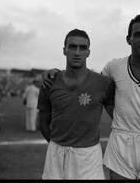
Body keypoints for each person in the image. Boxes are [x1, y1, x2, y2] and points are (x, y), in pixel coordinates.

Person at [40, 13, 140, 180]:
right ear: (129, 39)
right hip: (120, 141)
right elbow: (88, 85)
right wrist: (52, 74)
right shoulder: (113, 68)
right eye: (138, 35)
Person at [37, 29, 115, 179]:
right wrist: (58, 145)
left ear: (88, 52)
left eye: (82, 48)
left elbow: (121, 116)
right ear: (64, 50)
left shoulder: (103, 83)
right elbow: (43, 123)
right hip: (55, 155)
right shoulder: (49, 82)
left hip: (88, 156)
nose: (77, 52)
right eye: (72, 47)